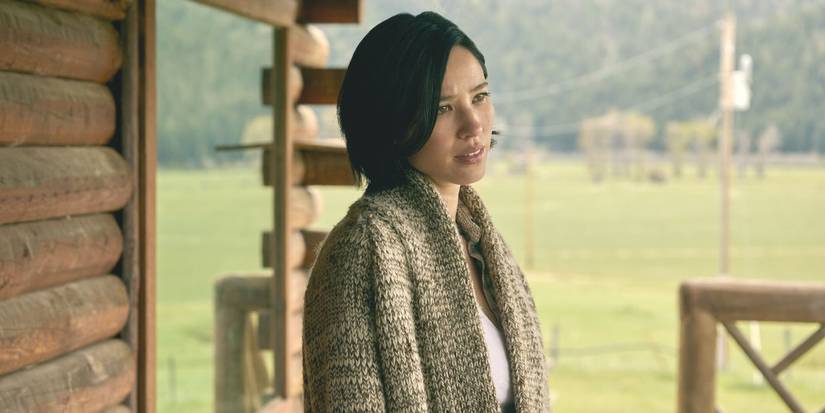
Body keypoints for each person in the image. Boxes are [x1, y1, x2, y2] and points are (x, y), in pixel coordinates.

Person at [302, 11, 550, 412]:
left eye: (480, 97)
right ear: (393, 123)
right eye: (442, 108)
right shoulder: (366, 247)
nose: (473, 125)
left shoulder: (481, 241)